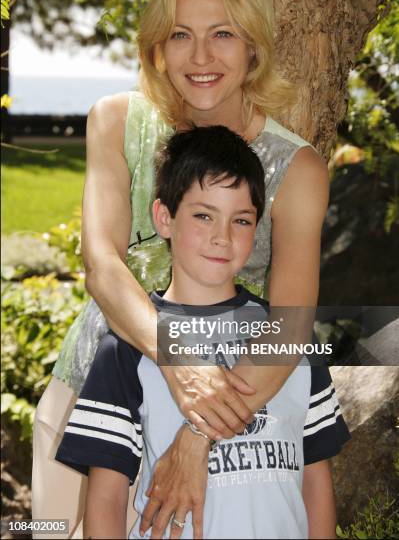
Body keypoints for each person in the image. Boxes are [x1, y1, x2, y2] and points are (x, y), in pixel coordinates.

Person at [32, 0, 330, 540]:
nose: (200, 57)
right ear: (157, 48)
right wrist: (180, 359)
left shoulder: (296, 169)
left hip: (229, 402)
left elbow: (291, 328)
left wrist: (197, 433)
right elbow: (103, 266)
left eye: (222, 33)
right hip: (90, 392)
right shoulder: (114, 121)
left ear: (253, 45)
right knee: (53, 530)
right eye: (179, 35)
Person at [55, 126, 350, 539]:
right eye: (203, 215)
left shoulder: (292, 341)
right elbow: (106, 500)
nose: (222, 237)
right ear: (165, 218)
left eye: (241, 220)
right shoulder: (126, 348)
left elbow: (316, 476)